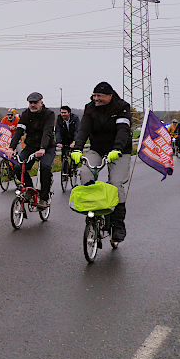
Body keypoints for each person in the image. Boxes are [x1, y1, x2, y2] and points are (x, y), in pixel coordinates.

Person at [70, 81, 132, 242]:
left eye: (100, 96)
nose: (96, 98)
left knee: (116, 183)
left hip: (119, 150)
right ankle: (92, 214)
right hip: (97, 148)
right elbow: (84, 129)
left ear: (110, 96)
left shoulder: (122, 107)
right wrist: (77, 149)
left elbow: (123, 130)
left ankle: (118, 225)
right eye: (94, 95)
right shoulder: (90, 107)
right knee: (85, 173)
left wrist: (117, 149)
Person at [5, 92, 55, 208]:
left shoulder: (49, 114)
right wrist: (11, 148)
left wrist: (42, 148)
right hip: (31, 146)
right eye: (30, 103)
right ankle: (29, 189)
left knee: (45, 168)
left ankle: (44, 198)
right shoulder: (26, 114)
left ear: (41, 103)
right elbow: (18, 132)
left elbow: (47, 132)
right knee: (18, 166)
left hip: (46, 147)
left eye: (35, 103)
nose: (32, 105)